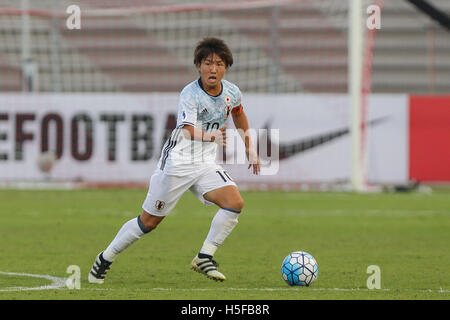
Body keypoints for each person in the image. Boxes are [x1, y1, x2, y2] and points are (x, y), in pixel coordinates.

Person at [88, 37, 260, 284]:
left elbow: (239, 115)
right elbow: (187, 130)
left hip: (205, 163)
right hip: (177, 162)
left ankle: (204, 257)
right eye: (208, 63)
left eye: (219, 64)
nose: (213, 69)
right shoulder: (190, 94)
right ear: (199, 65)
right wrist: (211, 135)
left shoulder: (232, 92)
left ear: (226, 67)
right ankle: (105, 258)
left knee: (234, 202)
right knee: (148, 222)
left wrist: (249, 148)